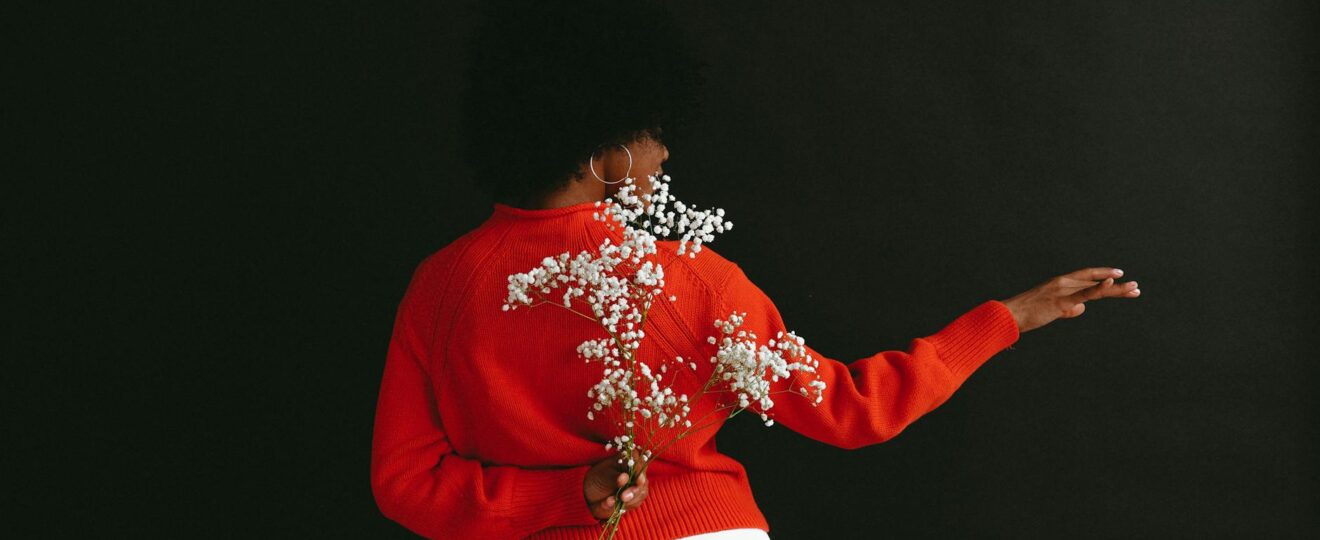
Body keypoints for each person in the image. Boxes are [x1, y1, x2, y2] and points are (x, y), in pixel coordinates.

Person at [369, 2, 1141, 539]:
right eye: (653, 133)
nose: (665, 154)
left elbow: (404, 483)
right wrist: (1006, 319)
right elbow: (852, 411)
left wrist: (563, 497)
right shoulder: (689, 281)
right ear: (600, 152)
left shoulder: (441, 288)